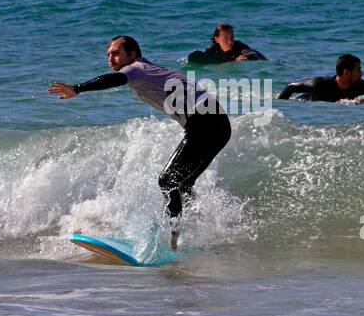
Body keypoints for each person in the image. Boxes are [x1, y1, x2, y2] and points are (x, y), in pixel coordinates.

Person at [48, 35, 231, 249]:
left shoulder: (137, 68)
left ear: (133, 54)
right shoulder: (146, 71)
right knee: (183, 184)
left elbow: (113, 79)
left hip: (206, 121)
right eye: (108, 55)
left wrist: (77, 88)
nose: (111, 59)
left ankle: (175, 239)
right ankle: (196, 232)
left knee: (167, 181)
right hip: (217, 123)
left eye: (116, 53)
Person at [276, 54, 364, 104]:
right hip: (304, 101)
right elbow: (291, 86)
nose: (362, 73)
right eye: (358, 70)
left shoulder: (360, 85)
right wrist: (283, 105)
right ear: (347, 73)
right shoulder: (319, 84)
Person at [186, 23, 266, 64]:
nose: (230, 41)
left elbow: (254, 54)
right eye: (226, 38)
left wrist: (245, 58)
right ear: (217, 40)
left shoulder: (239, 46)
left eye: (232, 37)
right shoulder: (212, 50)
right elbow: (195, 57)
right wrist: (234, 61)